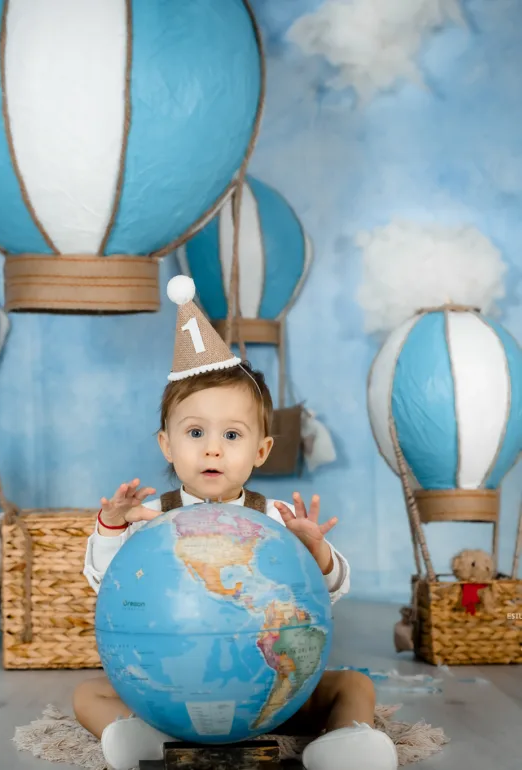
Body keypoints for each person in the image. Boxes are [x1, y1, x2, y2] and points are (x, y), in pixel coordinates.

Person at [73, 276, 397, 770]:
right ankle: (138, 737)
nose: (212, 449)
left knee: (354, 684)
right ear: (166, 445)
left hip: (270, 691)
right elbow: (107, 586)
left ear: (261, 450)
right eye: (195, 432)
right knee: (87, 694)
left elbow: (327, 592)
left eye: (231, 435)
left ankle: (345, 744)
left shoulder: (273, 520)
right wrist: (112, 528)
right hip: (170, 693)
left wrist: (315, 552)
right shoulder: (153, 520)